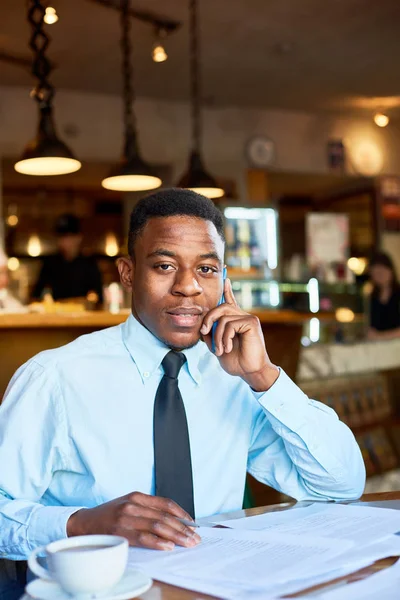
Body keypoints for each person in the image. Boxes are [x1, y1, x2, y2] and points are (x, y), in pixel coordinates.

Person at [0, 189, 365, 561]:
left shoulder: (236, 377)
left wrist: (264, 376)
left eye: (206, 269)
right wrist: (80, 523)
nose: (188, 286)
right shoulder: (55, 377)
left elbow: (341, 486)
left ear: (224, 279)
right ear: (128, 273)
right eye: (165, 266)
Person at [32, 214, 103, 303]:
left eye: (69, 236)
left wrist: (88, 300)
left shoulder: (89, 263)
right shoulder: (50, 263)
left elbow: (98, 295)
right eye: (62, 237)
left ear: (79, 237)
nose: (65, 241)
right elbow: (37, 294)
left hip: (83, 314)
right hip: (56, 314)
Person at [368, 251, 400, 340]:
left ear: (391, 271)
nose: (380, 275)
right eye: (376, 273)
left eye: (382, 271)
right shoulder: (370, 298)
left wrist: (381, 336)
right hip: (378, 349)